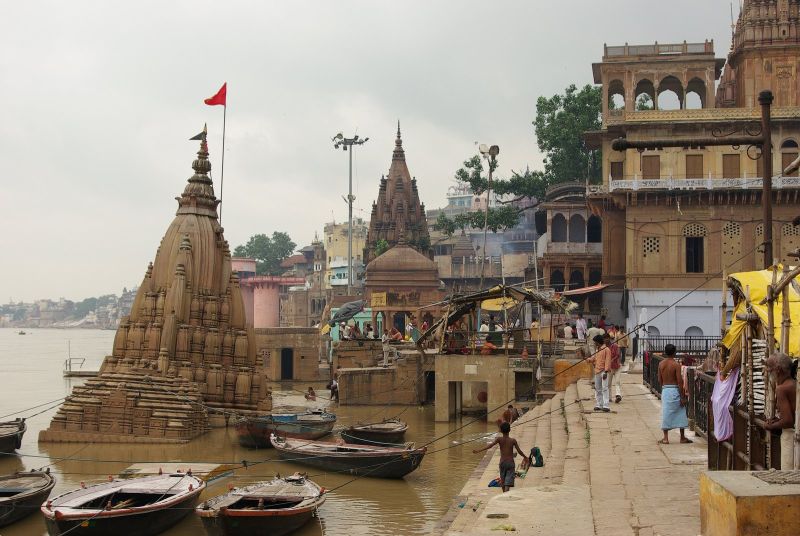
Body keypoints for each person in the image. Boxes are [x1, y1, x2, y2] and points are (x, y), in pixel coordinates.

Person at [473, 421, 530, 493]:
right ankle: (506, 494)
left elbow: (490, 446)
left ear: (501, 430)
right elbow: (519, 451)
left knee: (503, 481)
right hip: (510, 463)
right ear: (509, 430)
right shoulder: (513, 440)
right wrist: (525, 457)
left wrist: (479, 450)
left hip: (502, 463)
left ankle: (504, 494)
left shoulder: (499, 439)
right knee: (508, 482)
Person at [764, 352, 797, 469]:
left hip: (791, 436)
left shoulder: (782, 389)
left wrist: (769, 426)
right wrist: (777, 420)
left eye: (769, 367)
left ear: (778, 370)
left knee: (788, 475)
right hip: (795, 433)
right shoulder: (794, 384)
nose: (767, 371)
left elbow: (788, 421)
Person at [658, 344, 692, 444]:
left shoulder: (661, 364)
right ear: (674, 352)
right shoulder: (676, 365)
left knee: (666, 413)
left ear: (665, 352)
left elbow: (659, 380)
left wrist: (664, 389)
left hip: (665, 390)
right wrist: (682, 396)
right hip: (675, 390)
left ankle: (665, 438)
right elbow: (680, 381)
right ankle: (682, 437)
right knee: (681, 412)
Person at [588, 334, 611, 412]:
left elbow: (608, 361)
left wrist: (606, 371)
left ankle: (606, 405)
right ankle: (599, 404)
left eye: (595, 342)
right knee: (598, 389)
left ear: (598, 342)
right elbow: (593, 358)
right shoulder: (598, 350)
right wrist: (588, 359)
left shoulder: (606, 349)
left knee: (605, 388)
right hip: (597, 371)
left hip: (604, 371)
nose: (595, 344)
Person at [604, 333, 622, 403]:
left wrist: (612, 359)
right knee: (608, 384)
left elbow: (618, 355)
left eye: (607, 338)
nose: (606, 340)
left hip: (617, 367)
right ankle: (609, 397)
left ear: (609, 338)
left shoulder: (615, 346)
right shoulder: (604, 348)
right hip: (609, 368)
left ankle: (618, 395)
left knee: (617, 381)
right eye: (604, 339)